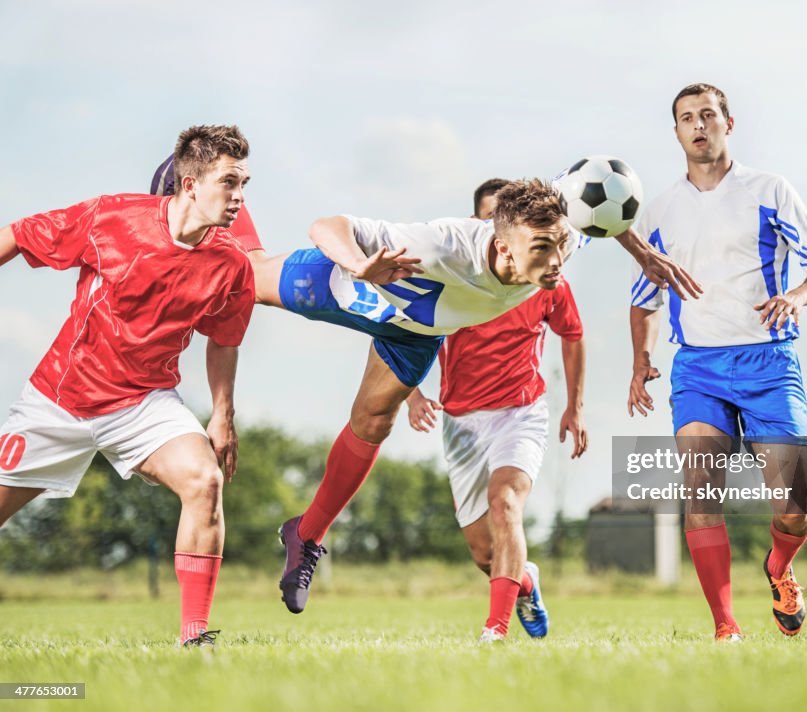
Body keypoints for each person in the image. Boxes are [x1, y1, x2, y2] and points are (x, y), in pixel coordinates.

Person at [248, 177, 699, 617]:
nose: (559, 258)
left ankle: (304, 536)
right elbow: (327, 226)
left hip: (416, 334)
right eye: (545, 248)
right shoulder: (443, 244)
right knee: (245, 277)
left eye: (562, 244)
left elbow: (600, 190)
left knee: (373, 421)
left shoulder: (553, 238)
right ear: (500, 241)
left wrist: (644, 255)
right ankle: (203, 198)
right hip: (353, 288)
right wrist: (359, 264)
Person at [0, 125, 256, 647]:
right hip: (60, 399)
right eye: (229, 182)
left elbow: (224, 339)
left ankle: (194, 638)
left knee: (204, 481)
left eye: (244, 183)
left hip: (144, 404)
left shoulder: (231, 264)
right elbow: (19, 234)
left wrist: (222, 414)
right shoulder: (110, 218)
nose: (239, 197)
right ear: (190, 184)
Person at [627, 83, 807, 641]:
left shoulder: (769, 190)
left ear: (729, 122)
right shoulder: (660, 210)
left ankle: (779, 565)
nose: (698, 125)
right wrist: (640, 361)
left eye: (707, 115)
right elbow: (643, 299)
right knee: (699, 489)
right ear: (675, 133)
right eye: (685, 118)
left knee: (795, 508)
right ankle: (726, 628)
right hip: (697, 366)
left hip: (769, 361)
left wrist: (796, 297)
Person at [405, 178, 586, 642]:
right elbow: (399, 323)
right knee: (485, 553)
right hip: (461, 421)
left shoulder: (547, 279)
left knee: (506, 504)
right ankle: (523, 581)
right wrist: (411, 393)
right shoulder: (454, 273)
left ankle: (495, 630)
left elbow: (572, 334)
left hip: (520, 411)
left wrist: (575, 407)